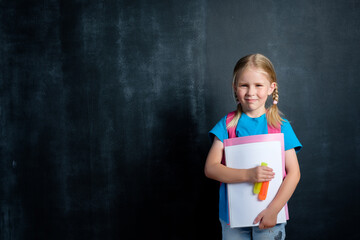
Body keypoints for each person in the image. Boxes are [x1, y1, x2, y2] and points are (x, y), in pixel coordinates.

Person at [205, 54, 302, 240]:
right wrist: (248, 175)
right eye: (244, 85)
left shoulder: (281, 126)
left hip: (270, 215)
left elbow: (294, 173)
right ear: (235, 88)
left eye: (258, 85)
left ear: (271, 88)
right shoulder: (227, 125)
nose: (251, 92)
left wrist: (273, 210)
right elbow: (210, 168)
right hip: (232, 216)